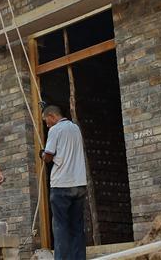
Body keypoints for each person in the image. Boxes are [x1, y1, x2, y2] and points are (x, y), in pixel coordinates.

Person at [41, 105, 88, 260]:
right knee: (77, 227)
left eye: (46, 121)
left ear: (52, 116)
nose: (46, 125)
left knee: (60, 227)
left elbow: (48, 156)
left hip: (61, 185)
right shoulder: (75, 128)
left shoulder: (55, 130)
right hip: (79, 184)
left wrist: (43, 154)